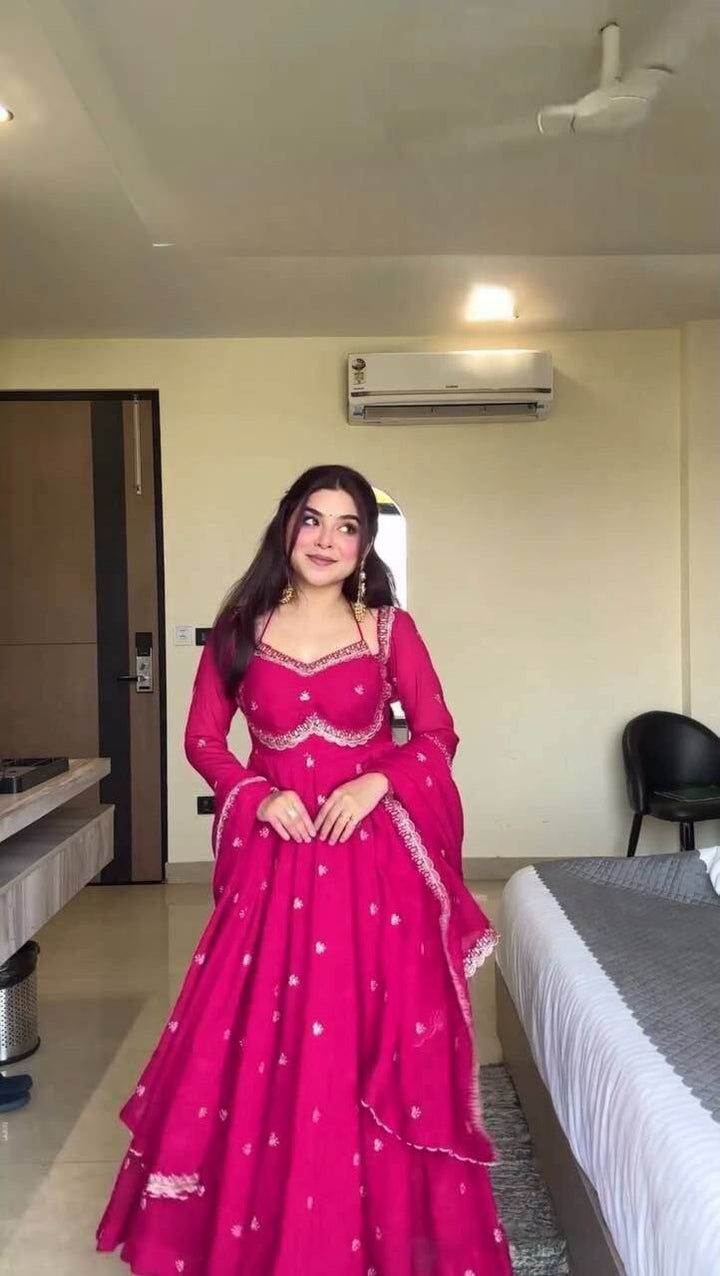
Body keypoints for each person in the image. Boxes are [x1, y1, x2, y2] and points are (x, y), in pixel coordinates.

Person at [97, 464, 512, 1275]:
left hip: (374, 867)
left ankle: (377, 1229)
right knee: (265, 1035)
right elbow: (203, 740)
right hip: (277, 867)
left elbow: (437, 734)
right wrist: (255, 793)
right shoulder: (240, 629)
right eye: (313, 519)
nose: (327, 539)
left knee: (371, 1034)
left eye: (347, 526)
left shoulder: (388, 630)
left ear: (365, 544)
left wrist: (377, 780)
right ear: (286, 526)